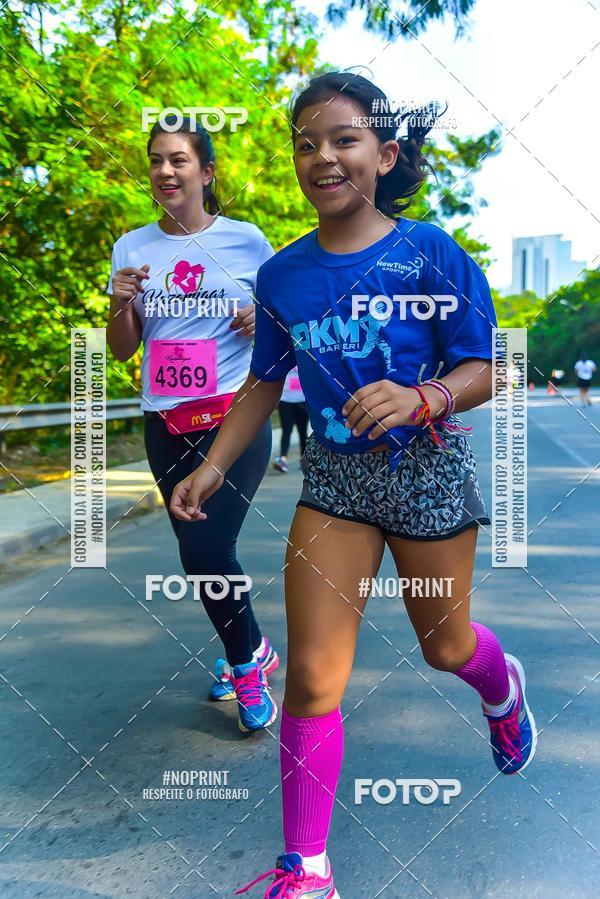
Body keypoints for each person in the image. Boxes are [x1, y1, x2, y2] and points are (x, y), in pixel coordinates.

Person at [169, 73, 538, 898]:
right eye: (306, 142)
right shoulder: (283, 276)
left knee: (446, 645)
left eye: (343, 138)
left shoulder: (429, 250)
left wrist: (425, 395)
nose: (322, 156)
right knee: (311, 678)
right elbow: (263, 383)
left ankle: (501, 685)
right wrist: (213, 464)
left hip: (426, 477)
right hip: (335, 485)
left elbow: (491, 364)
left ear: (384, 152)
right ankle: (307, 869)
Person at [106, 114, 280, 733]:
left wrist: (259, 317)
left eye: (179, 159)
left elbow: (280, 319)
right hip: (166, 420)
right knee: (195, 551)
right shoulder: (132, 247)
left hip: (234, 415)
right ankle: (253, 647)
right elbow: (123, 348)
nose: (165, 170)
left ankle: (246, 665)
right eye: (155, 159)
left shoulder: (247, 241)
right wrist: (122, 302)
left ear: (205, 172)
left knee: (209, 546)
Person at [273, 367, 309, 472]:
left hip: (302, 399)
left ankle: (304, 460)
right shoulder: (283, 355)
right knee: (286, 430)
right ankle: (283, 459)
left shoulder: (303, 354)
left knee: (302, 432)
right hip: (286, 399)